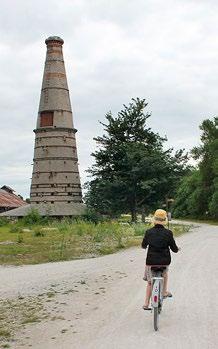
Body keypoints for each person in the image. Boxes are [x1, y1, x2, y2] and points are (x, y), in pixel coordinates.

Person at [141, 209, 179, 310]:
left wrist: (145, 246)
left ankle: (146, 303)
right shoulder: (168, 233)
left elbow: (143, 245)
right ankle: (164, 292)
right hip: (164, 261)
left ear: (154, 219)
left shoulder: (148, 232)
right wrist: (177, 249)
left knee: (150, 282)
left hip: (151, 261)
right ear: (164, 220)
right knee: (165, 273)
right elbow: (174, 249)